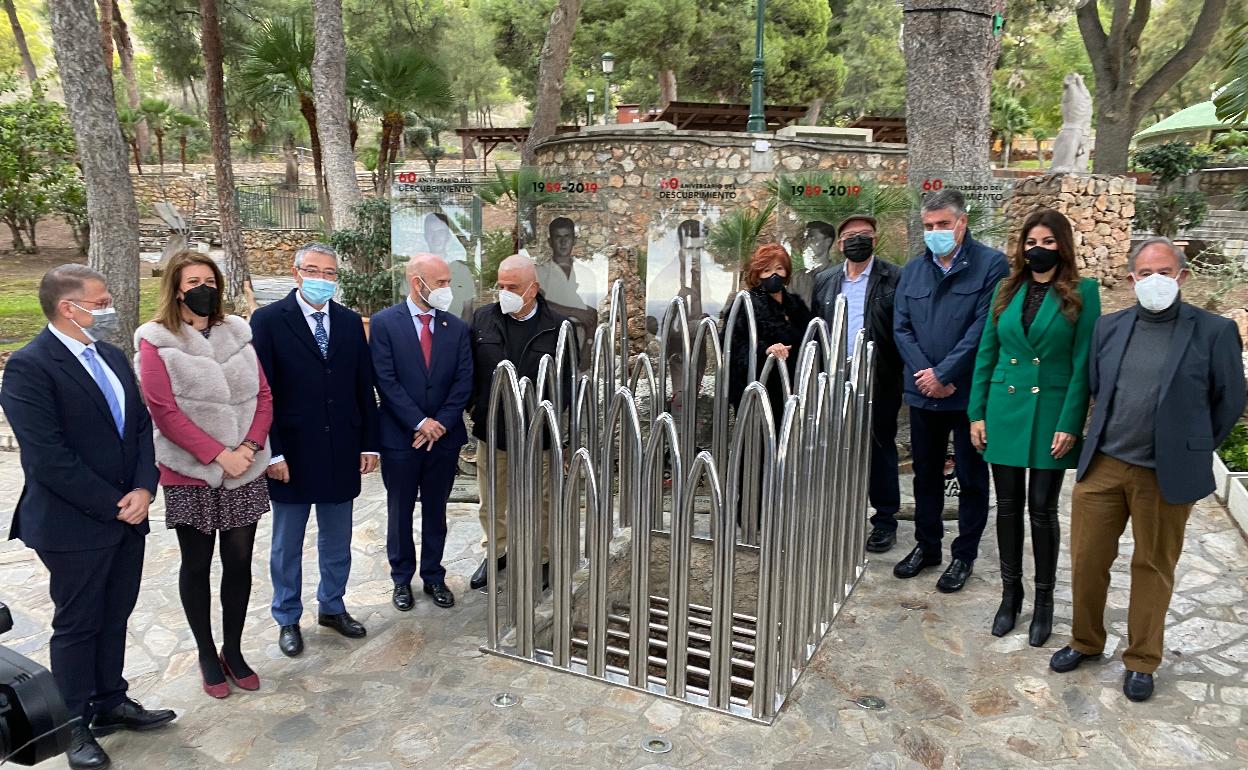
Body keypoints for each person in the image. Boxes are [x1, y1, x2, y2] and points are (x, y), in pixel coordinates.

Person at [1049, 237, 1245, 702]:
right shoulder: (1110, 327)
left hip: (1163, 474)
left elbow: (1230, 399)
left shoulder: (1213, 331)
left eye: (1164, 272)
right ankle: (1086, 640)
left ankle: (1141, 659)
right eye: (1144, 273)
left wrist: (1193, 450)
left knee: (1152, 566)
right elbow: (1097, 384)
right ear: (1132, 279)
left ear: (1182, 276)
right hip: (1104, 466)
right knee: (1087, 561)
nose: (1154, 281)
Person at [0, 265, 176, 770]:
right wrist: (112, 503)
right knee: (79, 624)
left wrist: (145, 487)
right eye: (99, 302)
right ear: (67, 308)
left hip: (129, 511)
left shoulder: (112, 356)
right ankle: (73, 722)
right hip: (73, 523)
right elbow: (47, 456)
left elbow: (141, 427)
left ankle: (110, 702)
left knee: (116, 612)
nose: (108, 308)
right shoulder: (31, 366)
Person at [136, 250, 273, 701]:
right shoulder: (156, 340)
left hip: (245, 469)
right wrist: (217, 455)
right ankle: (206, 654)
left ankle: (232, 649)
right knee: (196, 564)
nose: (203, 288)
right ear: (175, 287)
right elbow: (164, 410)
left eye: (210, 281)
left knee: (238, 562)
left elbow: (264, 396)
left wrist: (249, 448)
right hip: (191, 472)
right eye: (194, 280)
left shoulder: (237, 331)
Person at [967, 209, 1100, 647]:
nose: (1036, 249)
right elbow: (987, 353)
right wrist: (976, 413)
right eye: (1029, 242)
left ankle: (1044, 603)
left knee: (1041, 509)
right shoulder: (1007, 290)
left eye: (1045, 241)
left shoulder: (1083, 293)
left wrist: (1071, 423)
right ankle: (1011, 596)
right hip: (1004, 410)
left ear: (1061, 245)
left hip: (1051, 415)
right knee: (1006, 507)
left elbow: (1083, 365)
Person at [250, 243, 380, 658]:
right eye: (314, 271)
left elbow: (363, 387)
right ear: (296, 273)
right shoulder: (268, 321)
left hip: (341, 448)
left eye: (329, 273)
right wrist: (272, 453)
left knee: (337, 539)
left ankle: (333, 606)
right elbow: (262, 392)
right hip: (291, 453)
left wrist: (369, 443)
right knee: (287, 544)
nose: (322, 279)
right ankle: (287, 617)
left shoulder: (347, 322)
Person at [893, 188, 1009, 592]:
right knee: (925, 475)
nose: (936, 232)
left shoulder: (992, 265)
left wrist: (945, 372)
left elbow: (984, 327)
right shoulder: (914, 270)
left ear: (962, 222)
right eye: (928, 226)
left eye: (943, 224)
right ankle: (928, 546)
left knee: (972, 477)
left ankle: (964, 555)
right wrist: (927, 373)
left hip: (968, 393)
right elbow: (901, 327)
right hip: (922, 391)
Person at [371, 252, 473, 610]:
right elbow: (385, 379)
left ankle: (434, 576)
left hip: (443, 440)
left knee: (436, 511)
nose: (447, 289)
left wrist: (439, 424)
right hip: (401, 437)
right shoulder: (385, 323)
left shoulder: (456, 327)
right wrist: (419, 422)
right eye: (441, 282)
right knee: (399, 511)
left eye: (448, 282)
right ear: (419, 283)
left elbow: (463, 382)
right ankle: (402, 580)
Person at [468, 254, 570, 590]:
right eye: (501, 285)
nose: (504, 292)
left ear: (533, 289)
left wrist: (546, 418)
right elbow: (469, 371)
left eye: (513, 287)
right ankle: (496, 552)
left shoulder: (556, 327)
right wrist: (476, 408)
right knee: (492, 498)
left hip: (537, 432)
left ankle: (542, 558)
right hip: (493, 430)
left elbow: (566, 382)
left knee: (542, 501)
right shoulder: (483, 319)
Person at [810, 214, 904, 553]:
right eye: (851, 235)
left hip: (879, 377)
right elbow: (816, 330)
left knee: (879, 447)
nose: (857, 240)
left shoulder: (894, 277)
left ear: (875, 240)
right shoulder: (825, 280)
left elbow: (902, 329)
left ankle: (884, 521)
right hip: (835, 378)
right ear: (840, 244)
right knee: (835, 449)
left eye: (865, 234)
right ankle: (839, 517)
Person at [724, 243, 812, 424]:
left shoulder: (796, 304)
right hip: (758, 392)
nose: (774, 275)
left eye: (779, 268)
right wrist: (766, 350)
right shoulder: (745, 304)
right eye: (766, 270)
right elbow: (733, 346)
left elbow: (810, 339)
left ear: (786, 271)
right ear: (757, 275)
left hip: (793, 390)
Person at [534, 216, 598, 363]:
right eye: (558, 237)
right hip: (548, 337)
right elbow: (539, 304)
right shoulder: (539, 272)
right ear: (550, 242)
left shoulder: (586, 274)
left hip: (580, 337)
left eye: (567, 237)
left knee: (580, 383)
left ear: (574, 240)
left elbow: (592, 314)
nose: (563, 242)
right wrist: (574, 312)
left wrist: (588, 348)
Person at [422, 211, 476, 320]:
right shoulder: (415, 270)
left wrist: (462, 335)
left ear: (448, 236)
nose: (436, 237)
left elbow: (468, 310)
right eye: (431, 232)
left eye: (440, 232)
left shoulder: (462, 271)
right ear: (425, 236)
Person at [790, 220, 836, 301]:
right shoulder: (798, 278)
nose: (808, 241)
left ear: (828, 241)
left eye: (813, 237)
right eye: (806, 238)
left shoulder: (838, 276)